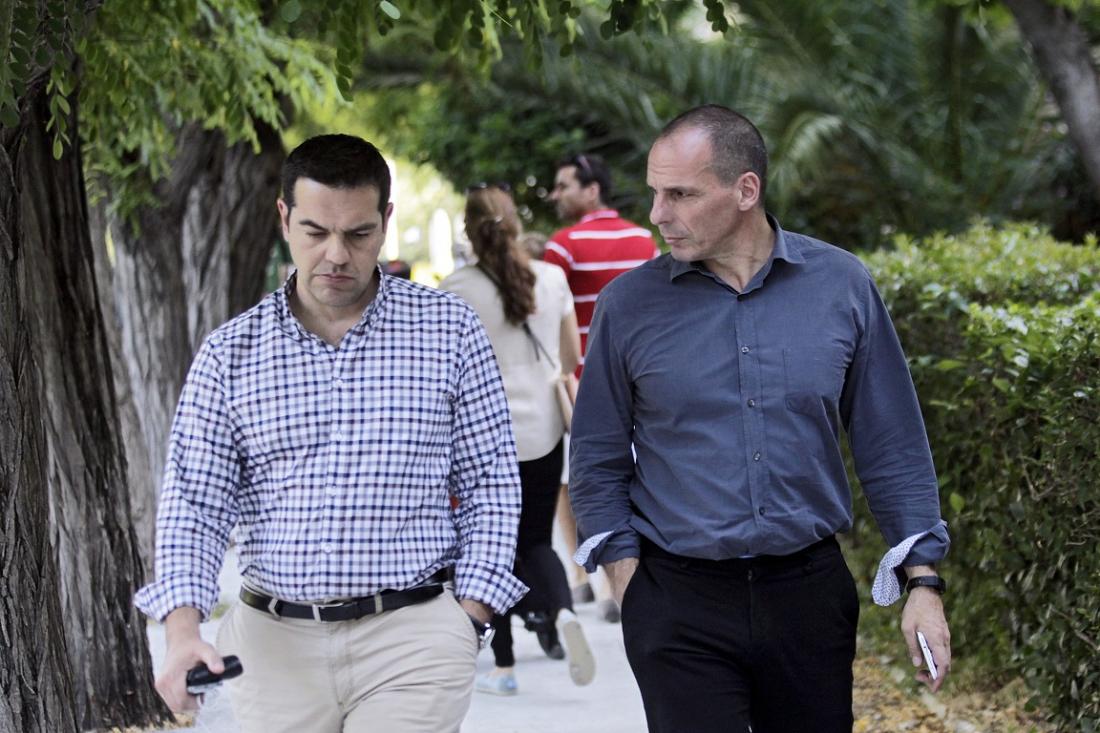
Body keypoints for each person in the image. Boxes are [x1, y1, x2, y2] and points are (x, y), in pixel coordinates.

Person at [569, 105, 952, 733]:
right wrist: (629, 585)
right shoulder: (628, 306)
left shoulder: (841, 285)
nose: (658, 213)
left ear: (746, 190)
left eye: (681, 194)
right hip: (677, 603)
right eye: (655, 193)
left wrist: (923, 583)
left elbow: (893, 443)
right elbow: (596, 456)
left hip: (809, 595)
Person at [134, 134, 526, 733]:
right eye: (315, 232)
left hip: (413, 639)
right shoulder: (229, 354)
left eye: (358, 233)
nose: (337, 254)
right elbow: (195, 503)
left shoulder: (449, 330)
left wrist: (468, 618)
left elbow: (490, 482)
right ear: (284, 218)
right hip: (273, 649)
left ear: (386, 222)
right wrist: (182, 633)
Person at [440, 184, 595, 695]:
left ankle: (503, 668)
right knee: (536, 539)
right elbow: (570, 356)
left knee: (489, 546)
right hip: (543, 429)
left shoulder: (456, 288)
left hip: (483, 435)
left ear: (469, 231)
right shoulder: (550, 278)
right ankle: (564, 612)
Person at [543, 152, 659, 621]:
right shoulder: (643, 239)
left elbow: (546, 313)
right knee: (630, 477)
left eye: (564, 186)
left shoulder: (563, 246)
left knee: (572, 481)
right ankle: (621, 583)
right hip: (640, 379)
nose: (556, 195)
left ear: (592, 190)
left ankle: (583, 580)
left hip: (580, 383)